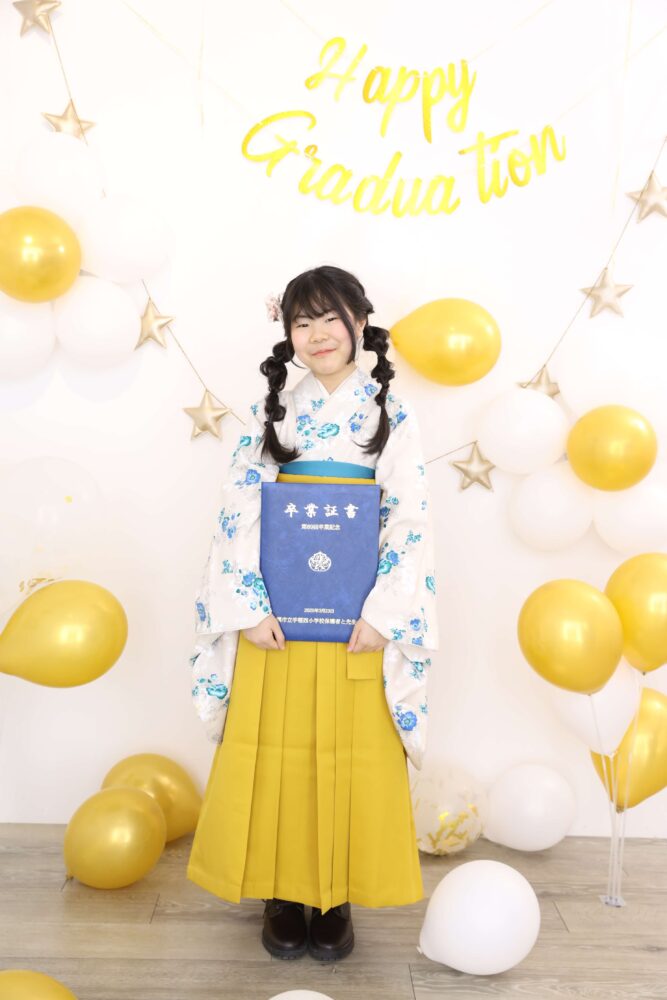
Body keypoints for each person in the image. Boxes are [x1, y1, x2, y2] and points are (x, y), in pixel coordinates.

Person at [186, 264, 439, 962]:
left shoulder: (392, 413)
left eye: (331, 318)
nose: (319, 333)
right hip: (279, 615)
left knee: (350, 754)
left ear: (360, 322)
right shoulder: (273, 409)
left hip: (356, 617)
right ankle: (280, 890)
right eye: (303, 321)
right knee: (276, 751)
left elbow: (408, 516)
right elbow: (239, 508)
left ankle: (334, 895)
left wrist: (386, 613)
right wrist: (246, 604)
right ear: (288, 332)